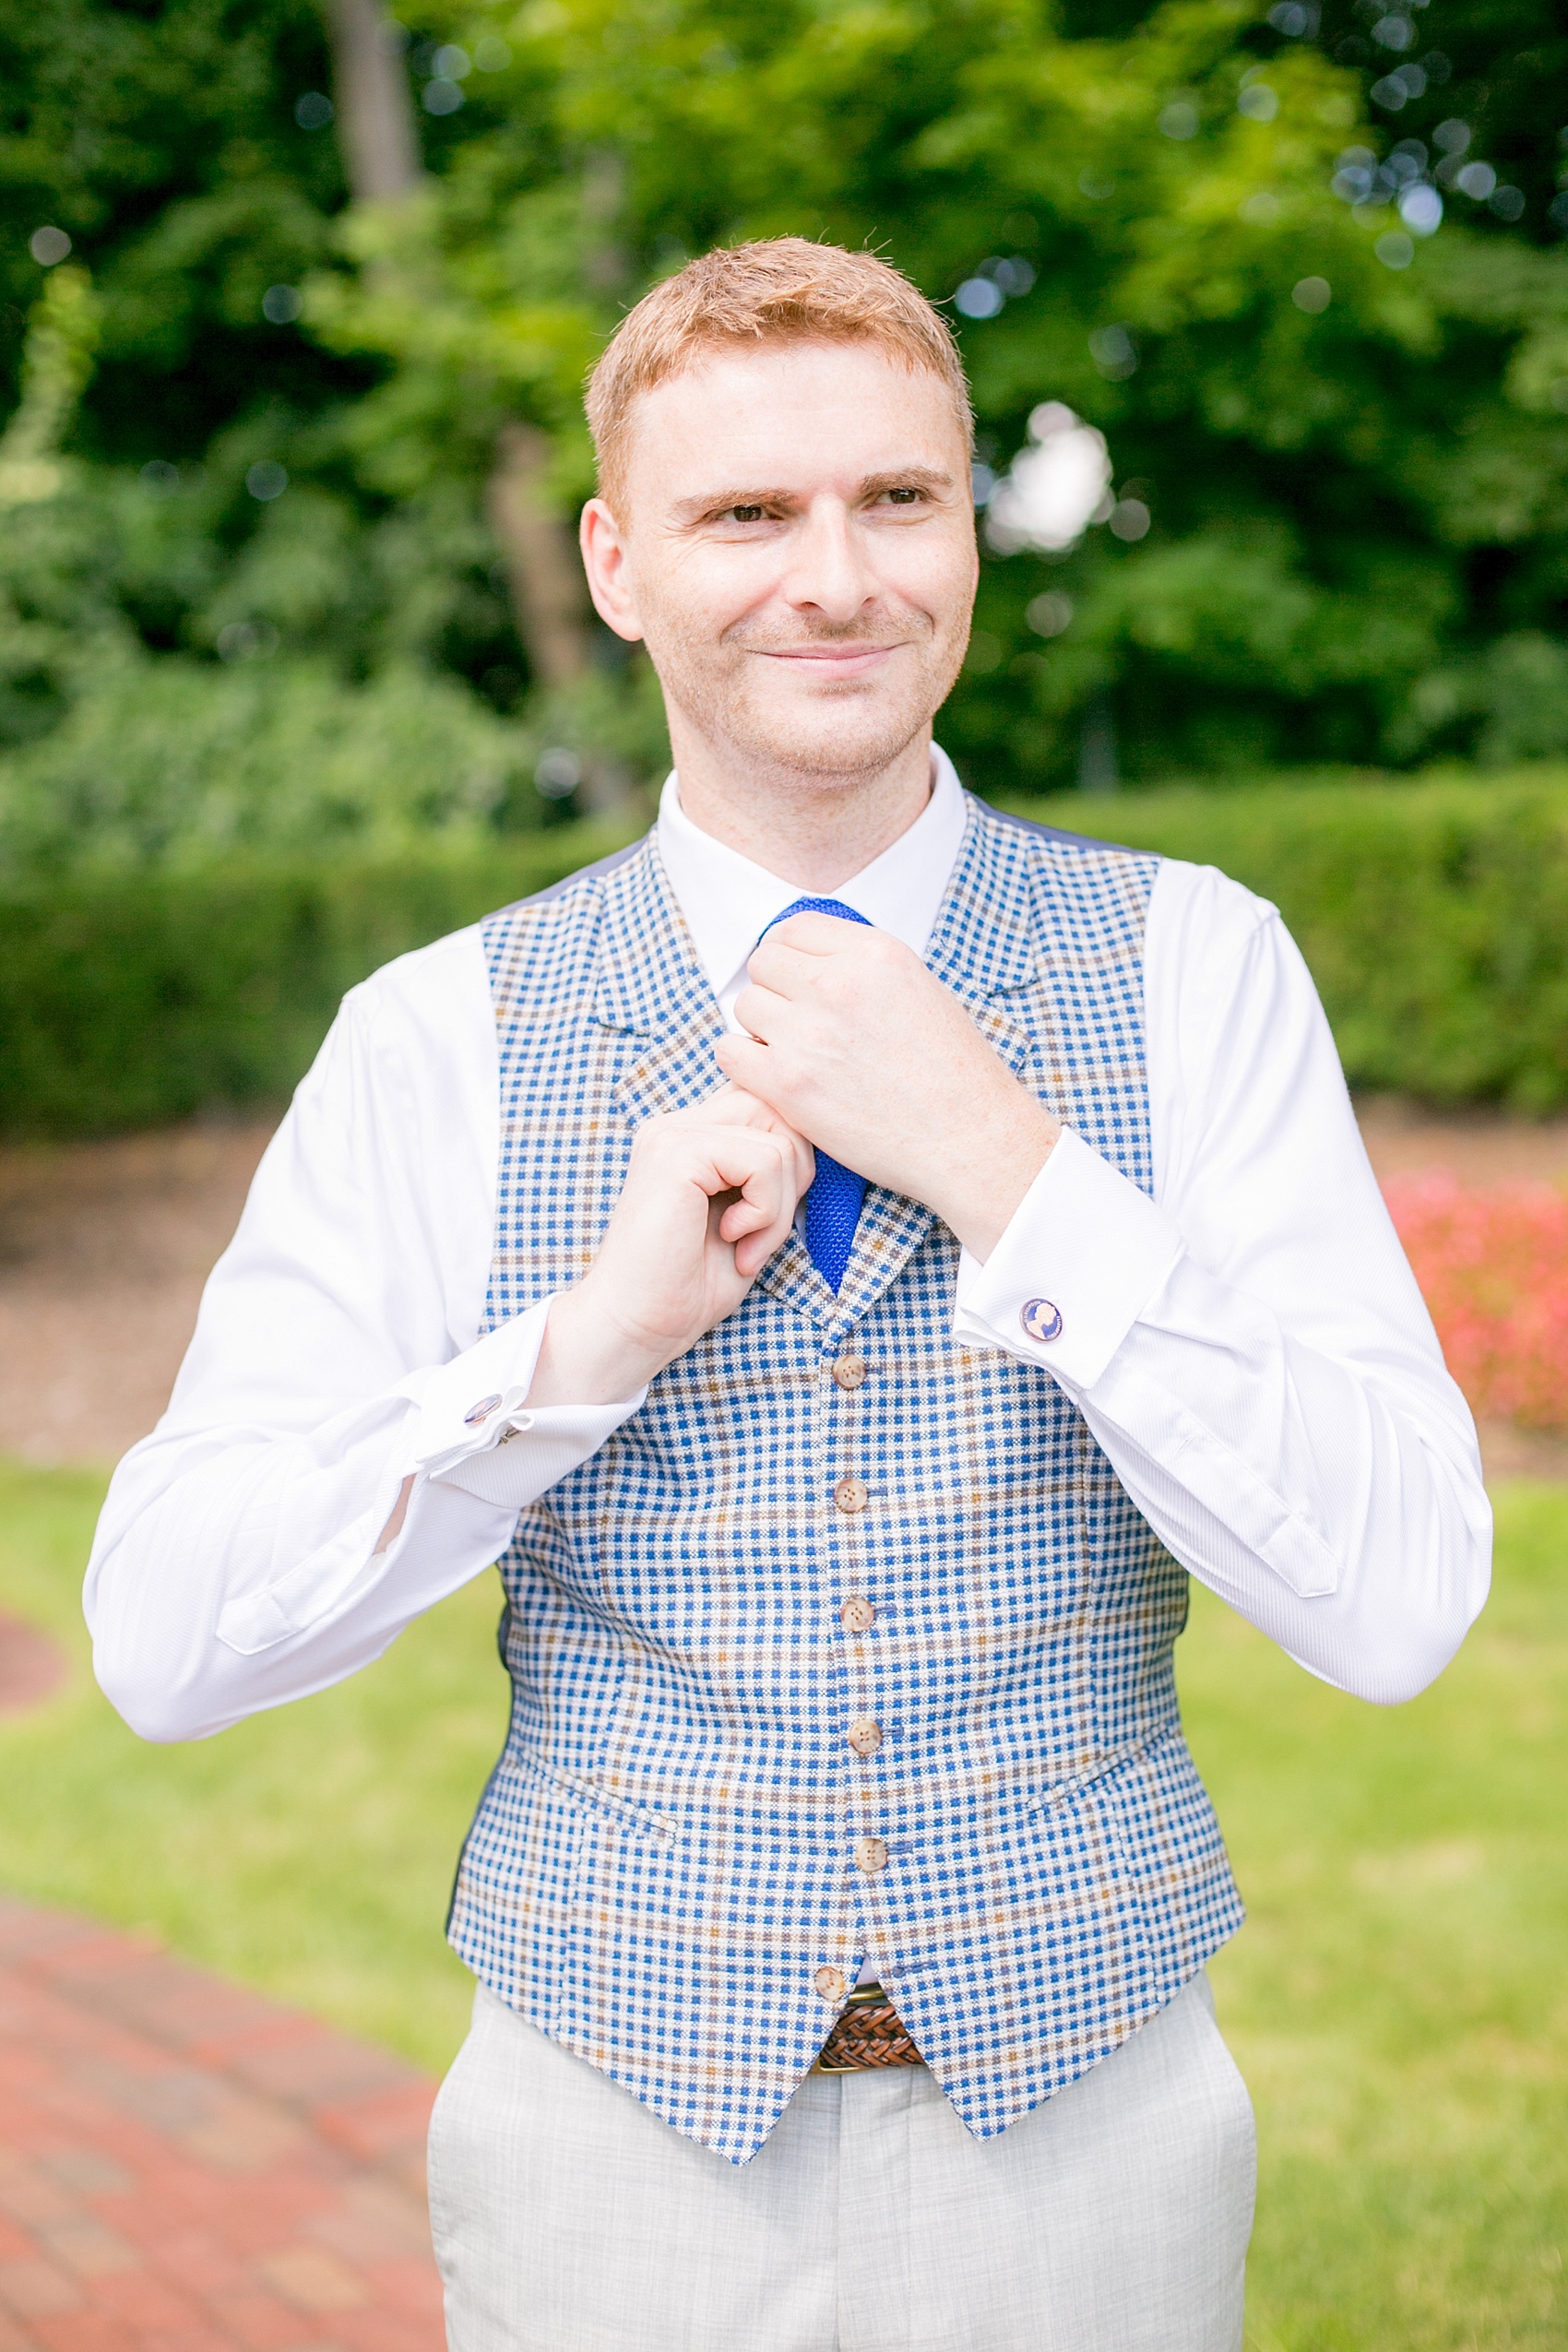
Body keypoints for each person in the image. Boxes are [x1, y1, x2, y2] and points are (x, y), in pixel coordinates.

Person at [86, 239, 1491, 2352]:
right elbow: (168, 1635)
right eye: (746, 513)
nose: (833, 577)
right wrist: (579, 1353)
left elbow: (1396, 1601)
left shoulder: (1198, 966)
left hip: (1091, 2141)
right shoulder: (436, 1034)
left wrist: (1012, 1170)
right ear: (618, 562)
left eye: (896, 500)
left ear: (966, 530)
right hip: (607, 2157)